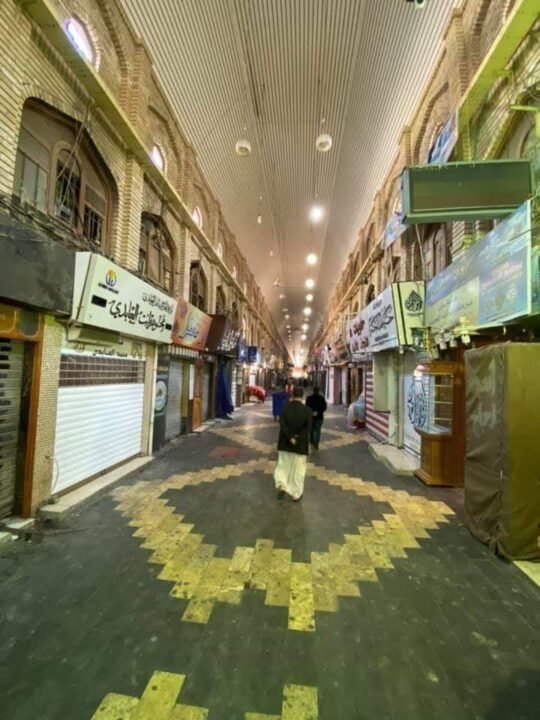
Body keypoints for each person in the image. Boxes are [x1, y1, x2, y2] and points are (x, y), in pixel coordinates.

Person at [274, 386, 312, 502]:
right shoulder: (307, 411)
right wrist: (297, 439)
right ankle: (296, 494)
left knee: (282, 466)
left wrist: (290, 437)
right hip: (300, 446)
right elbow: (307, 429)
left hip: (285, 443)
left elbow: (282, 425)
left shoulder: (285, 408)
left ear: (292, 395)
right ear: (302, 396)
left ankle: (282, 485)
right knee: (298, 470)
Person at [306, 386, 327, 450]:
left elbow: (306, 407)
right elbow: (324, 407)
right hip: (319, 416)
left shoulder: (309, 398)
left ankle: (311, 441)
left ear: (313, 390)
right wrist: (318, 412)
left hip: (311, 417)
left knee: (311, 430)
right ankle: (316, 443)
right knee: (318, 430)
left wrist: (311, 412)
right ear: (318, 391)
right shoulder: (322, 398)